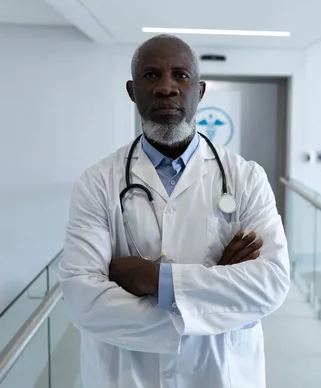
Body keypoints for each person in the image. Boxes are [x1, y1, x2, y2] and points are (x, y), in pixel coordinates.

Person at [58, 34, 290, 388]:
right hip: (124, 377)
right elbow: (83, 300)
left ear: (200, 91)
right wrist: (215, 294)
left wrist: (155, 281)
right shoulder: (97, 183)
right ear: (132, 90)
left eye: (181, 75)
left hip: (222, 374)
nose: (166, 87)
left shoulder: (247, 178)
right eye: (151, 75)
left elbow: (270, 285)